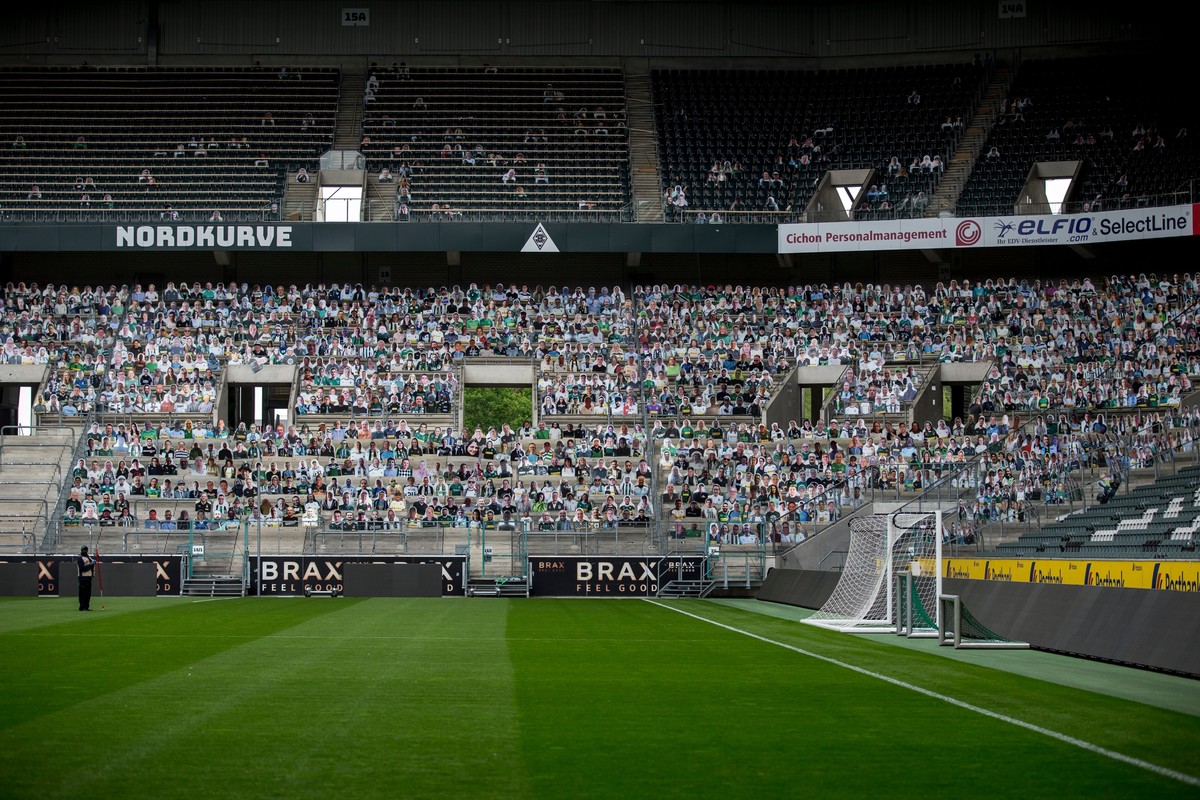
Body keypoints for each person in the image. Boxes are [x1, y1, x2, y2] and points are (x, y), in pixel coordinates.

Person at [77, 546, 96, 611]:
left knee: (88, 593)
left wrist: (93, 564)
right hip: (82, 578)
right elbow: (82, 568)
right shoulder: (80, 558)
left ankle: (86, 606)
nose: (86, 551)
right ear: (82, 550)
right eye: (84, 550)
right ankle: (82, 607)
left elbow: (91, 566)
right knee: (83, 593)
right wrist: (91, 564)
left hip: (88, 577)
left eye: (86, 550)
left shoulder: (89, 557)